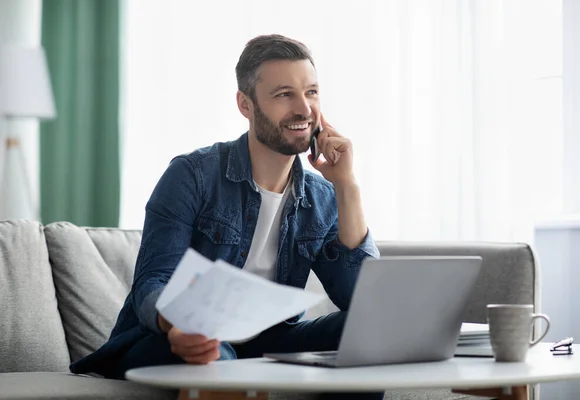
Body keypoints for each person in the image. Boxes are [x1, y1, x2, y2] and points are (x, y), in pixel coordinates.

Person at [70, 34, 382, 400]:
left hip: (269, 341)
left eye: (311, 92)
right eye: (284, 94)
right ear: (245, 105)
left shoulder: (322, 196)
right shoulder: (192, 175)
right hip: (172, 339)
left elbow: (362, 302)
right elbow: (153, 283)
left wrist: (347, 188)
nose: (304, 109)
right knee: (215, 353)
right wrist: (179, 326)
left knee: (368, 331)